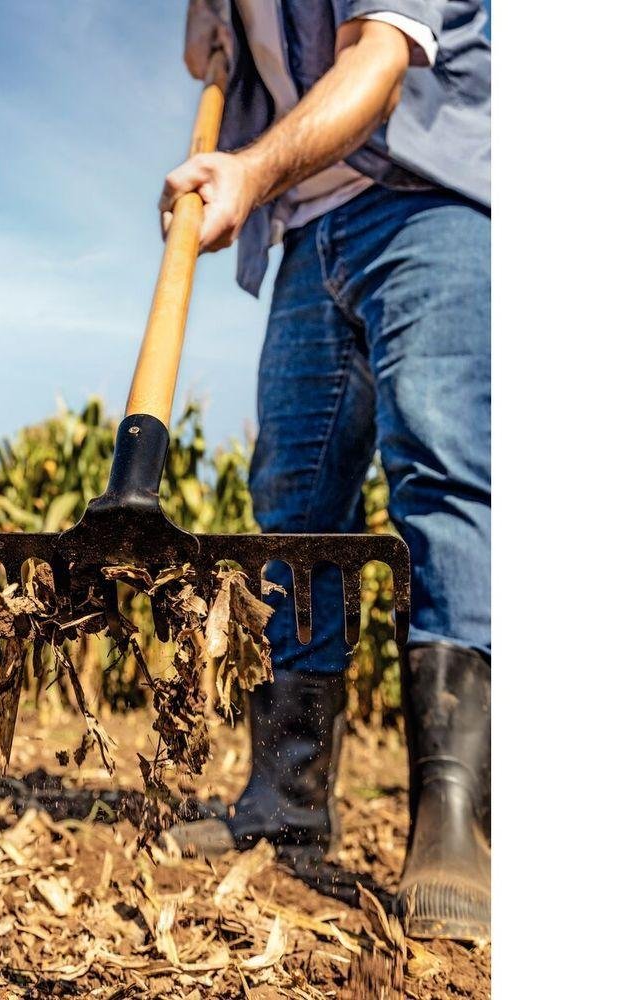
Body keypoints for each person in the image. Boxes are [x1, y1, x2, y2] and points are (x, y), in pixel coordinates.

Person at [161, 1, 491, 941]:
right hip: (310, 234)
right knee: (293, 500)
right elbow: (202, 60)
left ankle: (455, 823)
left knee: (441, 469)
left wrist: (249, 170)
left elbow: (378, 60)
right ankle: (286, 797)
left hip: (430, 200)